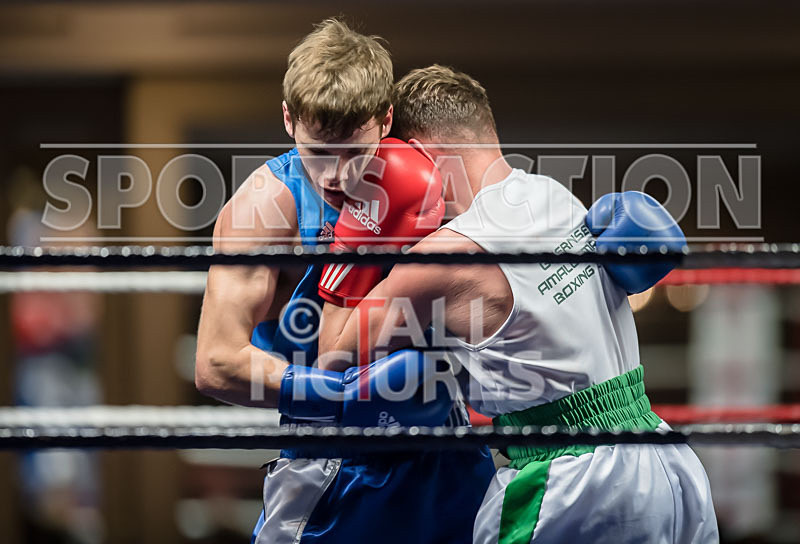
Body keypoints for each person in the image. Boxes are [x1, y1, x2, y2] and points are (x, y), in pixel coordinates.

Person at [317, 65, 718, 543]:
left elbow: (332, 360)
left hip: (568, 488)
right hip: (667, 465)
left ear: (416, 158)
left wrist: (352, 242)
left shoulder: (443, 258)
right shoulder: (556, 196)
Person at [194, 22, 495, 544]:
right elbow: (215, 362)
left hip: (448, 457)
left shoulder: (433, 179)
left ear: (386, 120)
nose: (334, 178)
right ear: (288, 119)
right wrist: (339, 394)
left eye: (354, 154)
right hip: (334, 468)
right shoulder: (264, 210)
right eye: (318, 154)